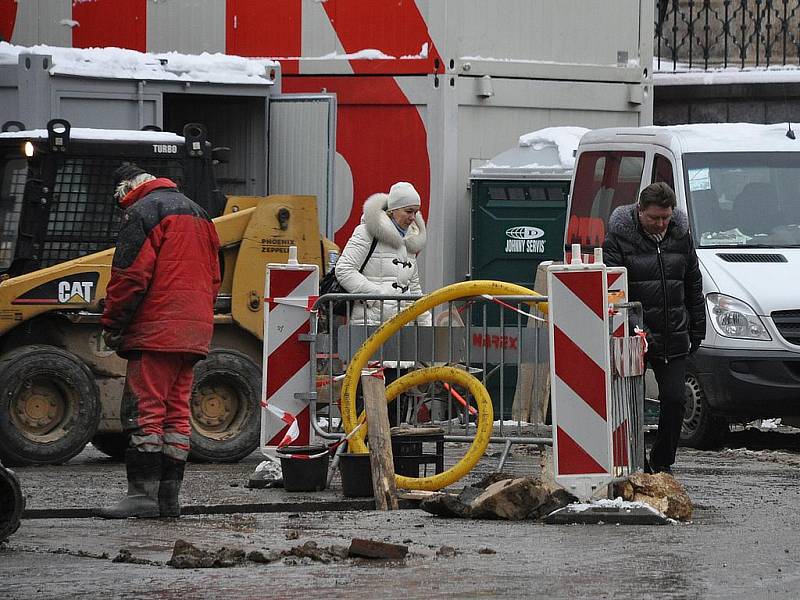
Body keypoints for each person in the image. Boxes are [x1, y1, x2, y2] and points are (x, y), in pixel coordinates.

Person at [97, 163, 221, 519]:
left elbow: (130, 276)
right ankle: (168, 499)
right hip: (194, 331)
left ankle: (142, 496)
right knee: (176, 414)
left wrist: (113, 322)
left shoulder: (143, 212)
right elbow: (214, 277)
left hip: (156, 330)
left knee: (145, 411)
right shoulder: (200, 213)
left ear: (127, 190)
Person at [602, 182, 705, 474]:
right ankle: (633, 461)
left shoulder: (681, 236)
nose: (660, 224)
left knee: (674, 400)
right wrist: (635, 328)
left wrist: (698, 326)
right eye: (654, 218)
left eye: (665, 217)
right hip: (635, 337)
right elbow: (613, 292)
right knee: (628, 405)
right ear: (640, 211)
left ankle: (661, 464)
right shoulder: (618, 240)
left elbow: (693, 284)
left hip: (674, 333)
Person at [335, 181, 431, 424]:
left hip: (399, 333)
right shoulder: (367, 232)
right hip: (370, 327)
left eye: (416, 212)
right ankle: (360, 455)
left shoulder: (408, 242)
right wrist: (377, 295)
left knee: (396, 402)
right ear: (393, 211)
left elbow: (414, 288)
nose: (413, 218)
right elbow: (344, 269)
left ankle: (390, 457)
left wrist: (427, 328)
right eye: (409, 211)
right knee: (365, 401)